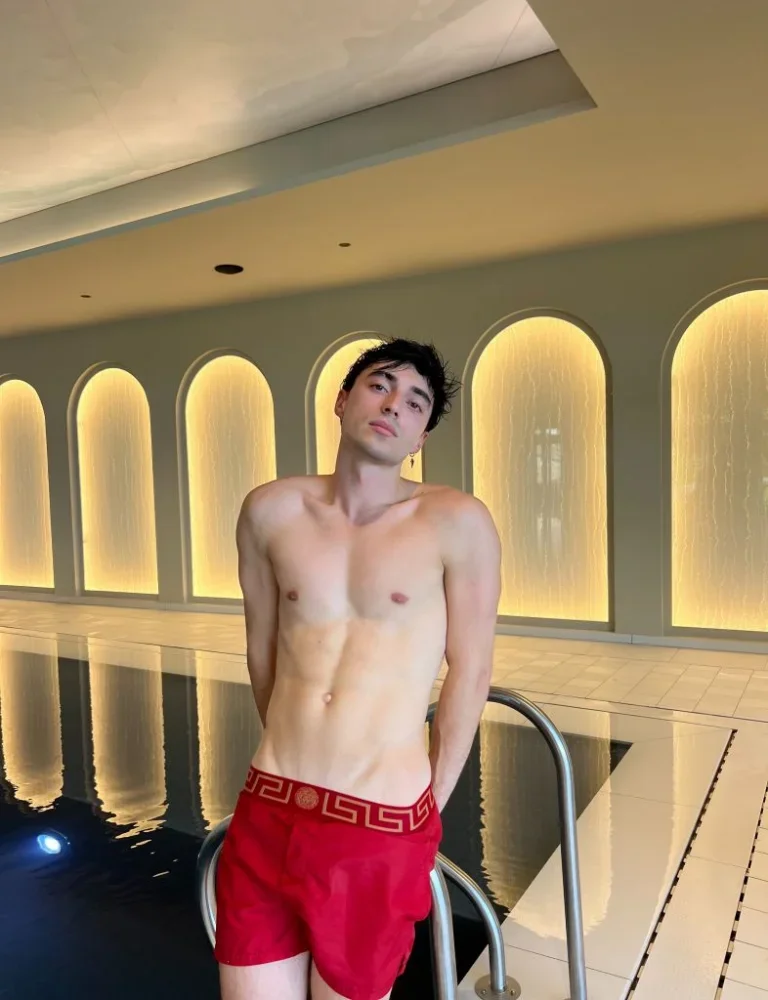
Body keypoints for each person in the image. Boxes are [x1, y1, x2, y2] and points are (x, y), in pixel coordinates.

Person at [215, 338, 502, 1000]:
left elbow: (470, 670)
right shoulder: (270, 511)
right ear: (343, 400)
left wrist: (429, 812)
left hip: (379, 822)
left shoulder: (456, 522)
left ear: (420, 437)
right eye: (380, 385)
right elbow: (263, 648)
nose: (395, 404)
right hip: (268, 805)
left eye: (416, 402)